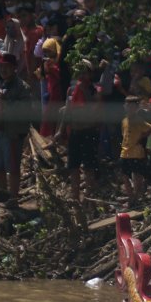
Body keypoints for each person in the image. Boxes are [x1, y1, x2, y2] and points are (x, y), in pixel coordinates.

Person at [0, 53, 31, 206]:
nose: (3, 69)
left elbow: (25, 110)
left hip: (13, 133)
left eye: (6, 66)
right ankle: (3, 195)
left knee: (12, 167)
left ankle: (13, 199)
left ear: (14, 68)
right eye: (1, 66)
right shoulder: (2, 84)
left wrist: (8, 102)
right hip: (0, 130)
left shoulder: (22, 87)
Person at [55, 59, 99, 201]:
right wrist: (60, 130)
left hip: (89, 131)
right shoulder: (71, 90)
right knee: (73, 165)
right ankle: (75, 196)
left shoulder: (94, 90)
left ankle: (89, 196)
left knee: (89, 166)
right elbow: (68, 110)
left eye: (84, 71)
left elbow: (92, 109)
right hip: (74, 131)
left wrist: (83, 89)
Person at [119, 96, 151, 205]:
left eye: (132, 106)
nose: (129, 108)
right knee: (124, 175)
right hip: (125, 151)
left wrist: (141, 137)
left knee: (137, 175)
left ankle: (137, 197)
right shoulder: (124, 121)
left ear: (136, 108)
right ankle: (131, 196)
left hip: (136, 152)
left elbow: (150, 128)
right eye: (127, 106)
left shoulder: (139, 120)